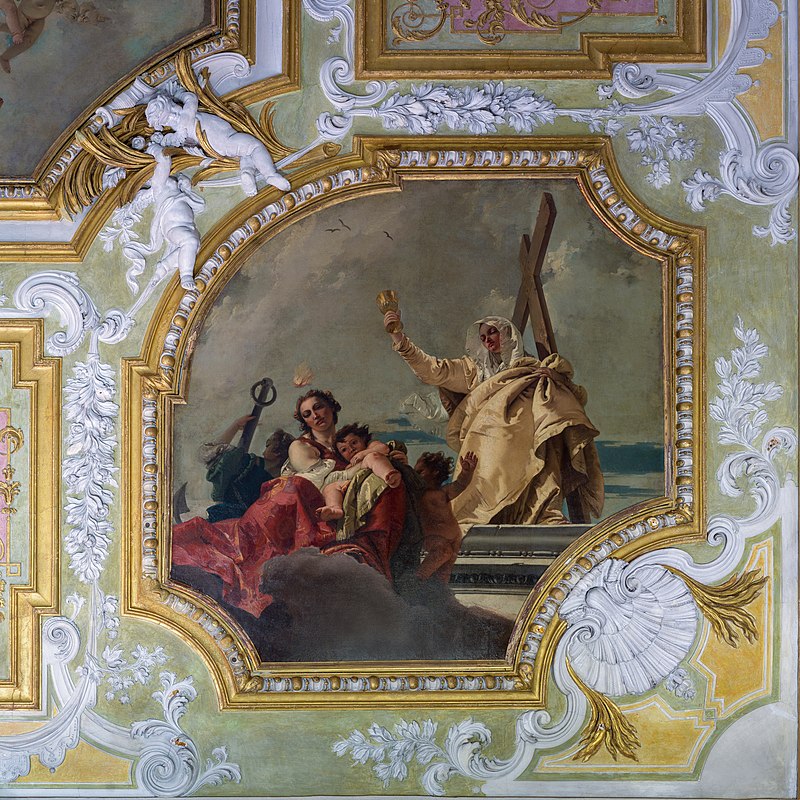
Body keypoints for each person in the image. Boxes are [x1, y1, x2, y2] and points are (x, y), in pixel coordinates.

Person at [171, 389, 407, 617]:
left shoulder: (346, 444)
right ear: (305, 422)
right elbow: (315, 478)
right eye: (307, 414)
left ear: (331, 408)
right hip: (291, 501)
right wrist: (360, 464)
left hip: (319, 503)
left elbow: (377, 451)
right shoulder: (300, 446)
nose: (315, 415)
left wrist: (380, 455)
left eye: (319, 407)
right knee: (260, 532)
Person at [384, 309, 604, 529]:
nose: (487, 340)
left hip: (527, 437)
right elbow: (434, 370)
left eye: (492, 332)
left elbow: (574, 395)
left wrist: (553, 379)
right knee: (489, 478)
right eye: (483, 337)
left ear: (507, 333)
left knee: (545, 448)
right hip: (491, 439)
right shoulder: (475, 370)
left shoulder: (533, 369)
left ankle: (545, 512)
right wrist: (399, 338)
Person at [144, 91, 291, 195]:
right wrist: (178, 94)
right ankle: (270, 174)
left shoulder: (179, 130)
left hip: (221, 144)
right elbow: (190, 97)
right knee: (254, 147)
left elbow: (171, 139)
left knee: (245, 155)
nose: (174, 115)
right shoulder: (186, 116)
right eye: (168, 117)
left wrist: (162, 138)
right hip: (226, 140)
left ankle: (247, 173)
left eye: (172, 109)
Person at [199, 415, 293, 522]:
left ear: (278, 452)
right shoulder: (247, 462)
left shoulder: (282, 480)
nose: (264, 450)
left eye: (268, 445)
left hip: (254, 522)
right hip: (227, 516)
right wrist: (235, 426)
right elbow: (208, 453)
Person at [316, 423, 401, 521]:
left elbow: (384, 449)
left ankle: (389, 475)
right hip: (356, 483)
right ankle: (335, 508)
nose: (351, 449)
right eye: (344, 450)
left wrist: (364, 453)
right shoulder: (348, 466)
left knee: (373, 457)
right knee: (329, 488)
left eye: (354, 442)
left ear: (363, 439)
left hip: (372, 470)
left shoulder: (371, 446)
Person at [415, 450, 477, 582]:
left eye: (420, 472)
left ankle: (439, 590)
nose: (416, 475)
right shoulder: (419, 495)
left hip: (454, 538)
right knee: (441, 553)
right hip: (434, 538)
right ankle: (416, 582)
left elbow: (460, 484)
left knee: (444, 572)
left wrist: (467, 472)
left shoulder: (443, 492)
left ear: (435, 472)